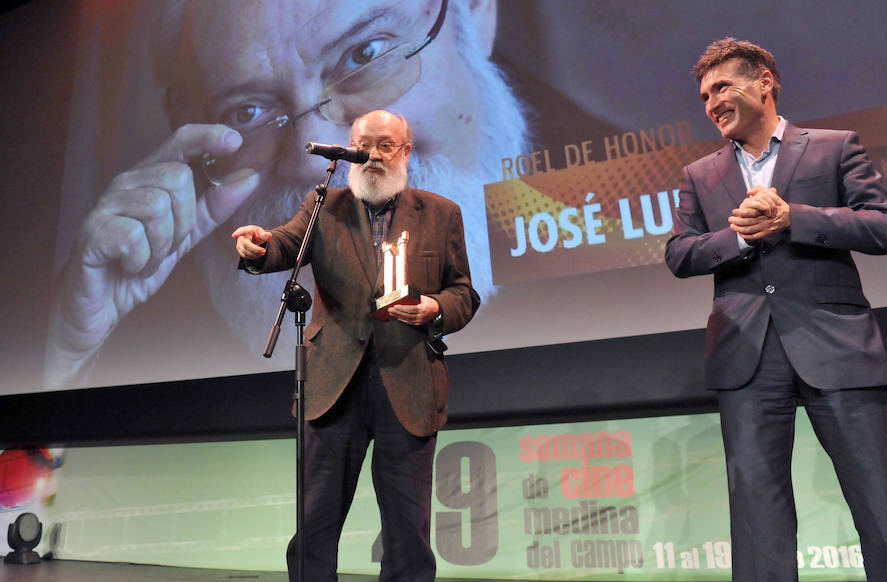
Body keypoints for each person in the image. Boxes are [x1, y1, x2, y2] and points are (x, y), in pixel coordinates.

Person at [43, 0, 526, 390]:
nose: (310, 157)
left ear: (475, 10)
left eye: (364, 54)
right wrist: (68, 360)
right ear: (185, 123)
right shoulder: (147, 338)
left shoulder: (600, 212)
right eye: (249, 110)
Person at [665, 38, 887, 582]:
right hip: (746, 356)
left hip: (837, 346)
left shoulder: (834, 147)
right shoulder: (699, 174)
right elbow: (680, 253)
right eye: (704, 95)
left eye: (723, 87)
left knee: (883, 502)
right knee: (758, 517)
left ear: (765, 82)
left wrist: (795, 217)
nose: (712, 102)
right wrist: (741, 235)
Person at [233, 109, 479, 582]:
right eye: (363, 143)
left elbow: (464, 293)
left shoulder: (441, 213)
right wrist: (258, 247)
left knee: (408, 534)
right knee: (315, 526)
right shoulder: (325, 205)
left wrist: (432, 306)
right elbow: (283, 244)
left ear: (405, 151)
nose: (372, 155)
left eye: (385, 145)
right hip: (332, 386)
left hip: (406, 382)